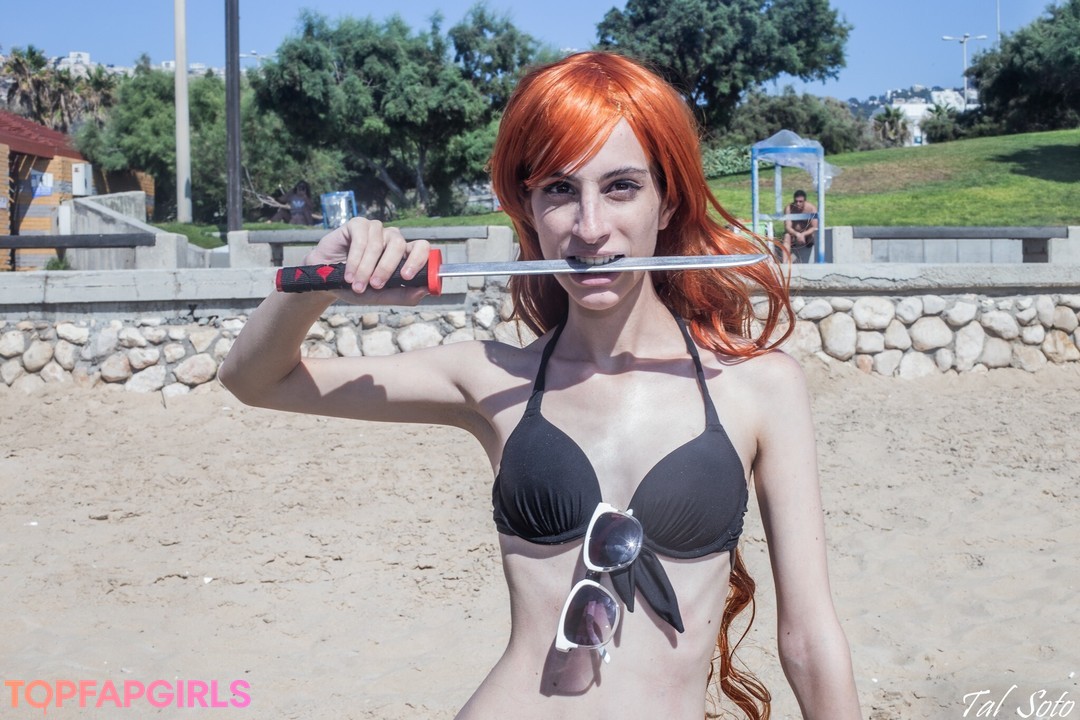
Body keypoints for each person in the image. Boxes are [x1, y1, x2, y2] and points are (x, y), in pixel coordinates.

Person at [219, 51, 861, 720]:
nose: (590, 227)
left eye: (621, 187)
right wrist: (317, 283)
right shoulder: (492, 378)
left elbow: (809, 637)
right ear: (528, 206)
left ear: (667, 200)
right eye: (559, 188)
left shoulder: (759, 387)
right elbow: (256, 380)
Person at [782, 190, 818, 262]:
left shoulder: (811, 209)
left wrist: (803, 234)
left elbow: (815, 227)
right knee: (786, 236)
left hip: (807, 235)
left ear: (805, 201)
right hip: (794, 235)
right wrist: (797, 234)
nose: (798, 204)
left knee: (814, 235)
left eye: (800, 201)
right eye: (796, 201)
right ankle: (784, 262)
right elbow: (787, 227)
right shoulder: (789, 208)